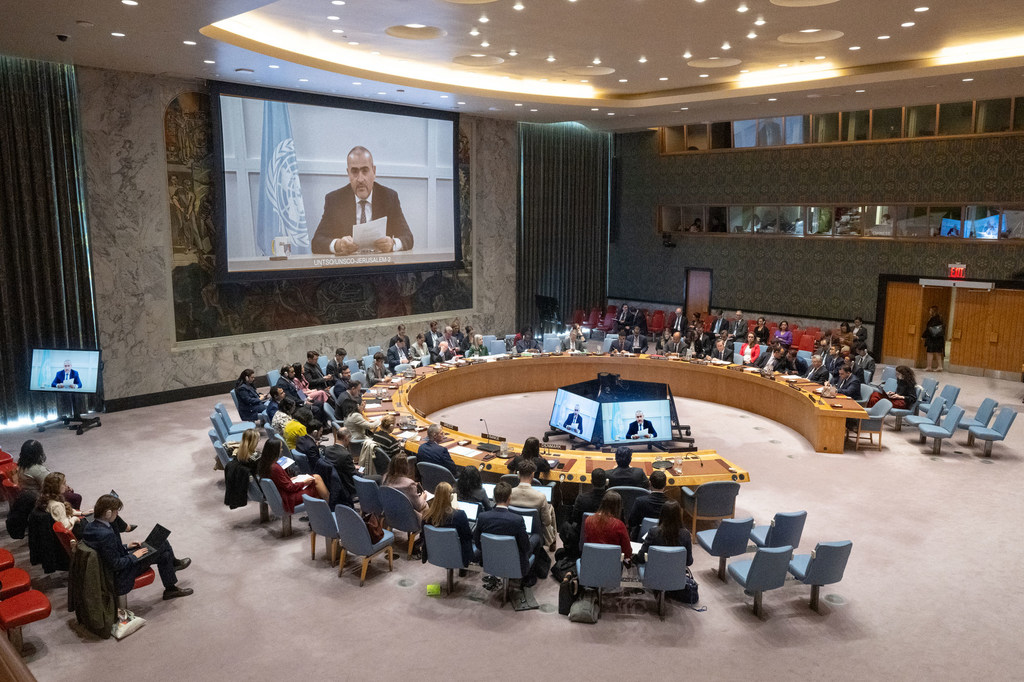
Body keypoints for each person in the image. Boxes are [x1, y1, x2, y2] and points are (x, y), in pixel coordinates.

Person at [82, 494, 193, 601]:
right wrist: (134, 556)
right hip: (121, 575)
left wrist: (127, 547)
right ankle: (173, 570)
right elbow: (115, 564)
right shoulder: (106, 534)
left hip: (115, 567)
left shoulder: (90, 526)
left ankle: (171, 587)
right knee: (162, 542)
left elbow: (107, 551)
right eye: (116, 512)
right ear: (108, 513)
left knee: (165, 555)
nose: (117, 514)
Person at [311, 145, 413, 255]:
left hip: (381, 268)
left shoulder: (389, 197)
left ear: (373, 171)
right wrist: (338, 244)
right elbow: (317, 242)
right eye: (354, 172)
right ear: (348, 173)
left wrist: (392, 244)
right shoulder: (335, 200)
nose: (360, 179)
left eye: (365, 171)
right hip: (348, 269)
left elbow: (408, 238)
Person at [473, 482, 532, 585]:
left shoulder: (483, 517)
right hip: (514, 564)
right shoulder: (517, 520)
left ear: (494, 498)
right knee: (535, 539)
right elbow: (525, 547)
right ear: (509, 498)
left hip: (490, 561)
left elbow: (477, 543)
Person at [257, 437, 329, 512]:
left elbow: (279, 482)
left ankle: (323, 512)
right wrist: (304, 482)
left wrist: (289, 479)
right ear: (275, 450)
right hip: (289, 497)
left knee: (316, 477)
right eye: (280, 448)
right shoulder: (275, 467)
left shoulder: (265, 464)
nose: (282, 450)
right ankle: (329, 506)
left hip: (284, 492)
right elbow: (289, 487)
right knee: (317, 486)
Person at [17, 440, 83, 509]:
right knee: (76, 497)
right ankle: (70, 515)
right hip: (41, 500)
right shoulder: (39, 471)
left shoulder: (21, 465)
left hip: (28, 497)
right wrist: (65, 487)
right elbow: (51, 488)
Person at [635, 500, 693, 578]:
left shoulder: (653, 532)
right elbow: (689, 562)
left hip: (654, 576)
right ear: (679, 515)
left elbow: (641, 557)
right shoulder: (686, 535)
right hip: (676, 577)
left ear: (662, 514)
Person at [421, 482, 473, 568]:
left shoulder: (426, 516)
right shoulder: (459, 515)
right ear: (450, 497)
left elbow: (423, 537)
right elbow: (467, 536)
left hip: (435, 552)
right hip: (457, 554)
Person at [508, 460, 556, 548]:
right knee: (550, 508)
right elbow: (547, 522)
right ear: (533, 475)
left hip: (513, 530)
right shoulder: (540, 497)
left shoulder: (508, 494)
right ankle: (553, 542)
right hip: (535, 533)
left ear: (518, 474)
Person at [583, 490, 632, 562]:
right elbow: (627, 553)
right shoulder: (619, 525)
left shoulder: (588, 520)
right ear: (618, 507)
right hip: (612, 566)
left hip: (591, 562)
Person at [38, 472, 90, 538]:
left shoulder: (47, 498)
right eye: (64, 483)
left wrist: (81, 513)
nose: (66, 486)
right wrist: (74, 519)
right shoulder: (56, 506)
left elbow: (63, 512)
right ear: (56, 487)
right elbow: (65, 527)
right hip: (75, 531)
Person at [321, 425, 358, 507]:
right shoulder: (346, 455)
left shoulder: (327, 449)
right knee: (375, 478)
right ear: (346, 438)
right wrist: (360, 472)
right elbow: (353, 474)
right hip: (347, 485)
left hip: (333, 483)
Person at [383, 455, 427, 521]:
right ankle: (425, 529)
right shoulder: (409, 484)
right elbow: (419, 506)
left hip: (392, 514)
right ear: (406, 467)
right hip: (409, 518)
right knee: (425, 505)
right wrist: (423, 496)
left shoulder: (385, 478)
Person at [628, 469, 669, 540]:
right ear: (665, 484)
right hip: (665, 538)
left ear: (649, 484)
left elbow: (632, 522)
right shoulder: (672, 503)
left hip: (641, 537)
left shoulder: (640, 501)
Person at [922, 305, 945, 372]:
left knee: (930, 352)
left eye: (930, 310)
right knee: (938, 352)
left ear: (933, 311)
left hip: (932, 338)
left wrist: (923, 336)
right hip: (939, 338)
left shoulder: (933, 319)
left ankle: (929, 366)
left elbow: (929, 329)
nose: (929, 312)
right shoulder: (940, 318)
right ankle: (940, 366)